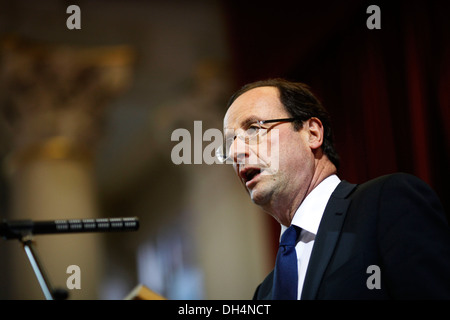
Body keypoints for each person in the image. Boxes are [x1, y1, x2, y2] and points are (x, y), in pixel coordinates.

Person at [218, 78, 450, 300]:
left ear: (312, 133)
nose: (236, 152)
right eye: (230, 143)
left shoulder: (387, 203)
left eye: (253, 129)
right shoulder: (264, 293)